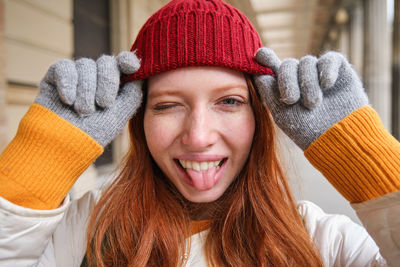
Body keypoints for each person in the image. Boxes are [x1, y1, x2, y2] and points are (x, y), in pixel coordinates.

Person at [0, 0, 399, 266]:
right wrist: (44, 151)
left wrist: (365, 156)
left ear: (261, 117)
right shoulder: (88, 229)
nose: (198, 136)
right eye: (168, 105)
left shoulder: (323, 243)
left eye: (229, 102)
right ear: (137, 118)